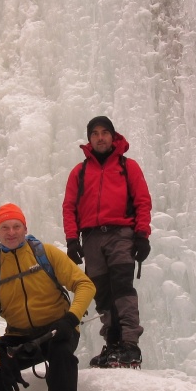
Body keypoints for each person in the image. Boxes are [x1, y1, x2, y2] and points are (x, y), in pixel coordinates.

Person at [0, 204, 96, 391]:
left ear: (25, 228)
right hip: (19, 336)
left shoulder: (46, 253)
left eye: (16, 226)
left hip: (58, 329)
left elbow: (85, 284)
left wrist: (71, 319)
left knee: (61, 354)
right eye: (5, 227)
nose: (11, 232)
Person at [61, 116, 152, 369]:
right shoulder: (79, 172)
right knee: (102, 293)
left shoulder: (127, 166)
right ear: (89, 139)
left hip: (120, 233)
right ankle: (113, 344)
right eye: (95, 133)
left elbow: (142, 201)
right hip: (91, 238)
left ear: (113, 136)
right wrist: (72, 240)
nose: (100, 138)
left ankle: (130, 345)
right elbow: (69, 207)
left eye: (104, 133)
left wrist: (142, 235)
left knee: (122, 287)